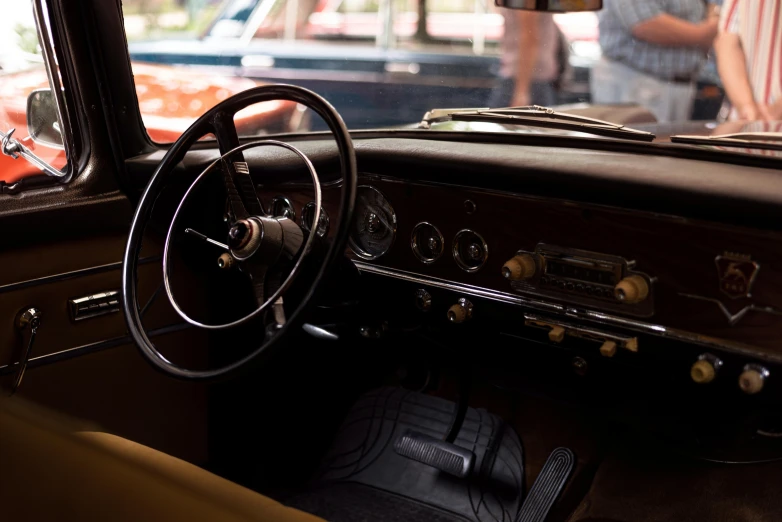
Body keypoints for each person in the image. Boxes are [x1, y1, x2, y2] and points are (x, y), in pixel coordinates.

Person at [591, 0, 719, 122]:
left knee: (669, 142)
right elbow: (644, 23)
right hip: (636, 81)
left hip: (678, 84)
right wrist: (705, 33)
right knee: (631, 142)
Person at [714, 0, 782, 121]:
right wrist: (747, 107)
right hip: (749, 121)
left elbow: (727, 42)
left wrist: (748, 108)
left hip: (749, 121)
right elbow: (727, 43)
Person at [488, 10, 560, 108]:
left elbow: (529, 38)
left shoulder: (525, 6)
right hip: (530, 76)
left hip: (523, 77)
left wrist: (521, 91)